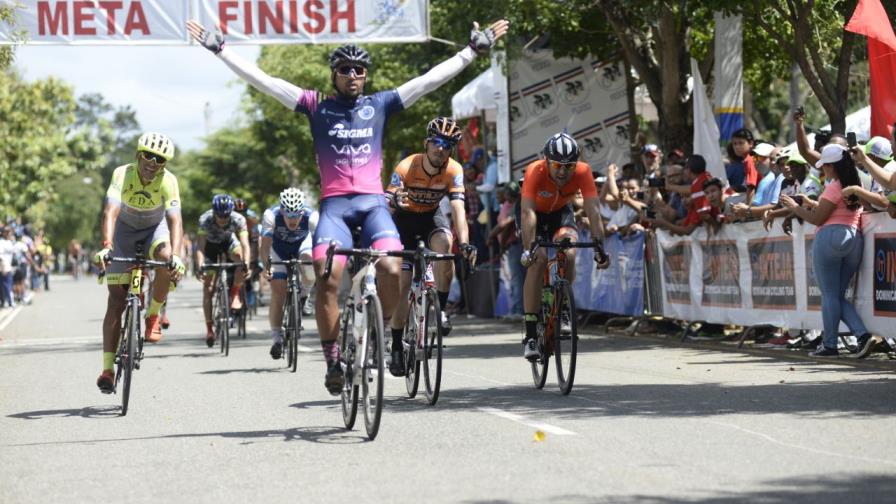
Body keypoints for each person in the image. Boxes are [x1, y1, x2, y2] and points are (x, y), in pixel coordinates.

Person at [187, 17, 509, 394]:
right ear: (334, 75)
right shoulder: (316, 105)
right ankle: (333, 359)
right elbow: (266, 83)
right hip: (335, 208)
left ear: (366, 76)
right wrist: (222, 50)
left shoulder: (381, 104)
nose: (353, 74)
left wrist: (470, 51)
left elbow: (428, 81)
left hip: (373, 207)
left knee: (391, 268)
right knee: (327, 277)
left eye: (359, 69)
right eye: (344, 69)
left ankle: (388, 332)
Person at [384, 117, 477, 376]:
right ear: (427, 143)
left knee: (446, 249)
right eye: (436, 142)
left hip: (430, 219)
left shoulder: (453, 170)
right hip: (403, 224)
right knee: (403, 288)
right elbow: (387, 203)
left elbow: (458, 210)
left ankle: (441, 311)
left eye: (447, 145)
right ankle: (396, 346)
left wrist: (466, 244)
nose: (440, 149)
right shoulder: (407, 166)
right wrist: (395, 202)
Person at [93, 133, 185, 392]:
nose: (152, 163)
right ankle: (108, 369)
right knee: (116, 302)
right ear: (138, 155)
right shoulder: (122, 174)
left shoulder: (169, 180)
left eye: (160, 159)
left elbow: (175, 220)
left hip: (154, 229)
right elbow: (110, 211)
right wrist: (107, 247)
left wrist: (176, 255)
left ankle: (153, 314)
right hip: (124, 231)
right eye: (148, 155)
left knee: (167, 260)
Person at [518, 133, 609, 360]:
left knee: (568, 252)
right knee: (537, 261)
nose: (562, 171)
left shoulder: (583, 172)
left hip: (560, 214)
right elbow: (527, 212)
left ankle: (564, 308)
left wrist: (600, 246)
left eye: (568, 166)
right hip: (535, 217)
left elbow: (593, 210)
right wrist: (529, 249)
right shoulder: (534, 171)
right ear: (547, 161)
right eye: (557, 165)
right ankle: (530, 334)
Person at [780, 144, 872, 357]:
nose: (822, 170)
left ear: (832, 166)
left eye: (825, 166)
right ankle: (862, 336)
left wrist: (795, 208)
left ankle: (830, 345)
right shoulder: (854, 183)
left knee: (830, 296)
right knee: (837, 296)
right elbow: (832, 210)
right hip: (854, 239)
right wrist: (812, 203)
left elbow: (818, 219)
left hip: (831, 237)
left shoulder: (834, 186)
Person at [260, 188, 318, 360]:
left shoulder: (312, 217)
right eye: (288, 216)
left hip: (303, 245)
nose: (292, 220)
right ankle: (276, 339)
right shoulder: (271, 215)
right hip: (278, 250)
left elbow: (319, 245)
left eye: (296, 216)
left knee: (308, 260)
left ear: (302, 211)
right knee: (278, 293)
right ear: (282, 211)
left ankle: (304, 296)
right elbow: (265, 246)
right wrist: (267, 266)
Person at [195, 194, 251, 347]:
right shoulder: (205, 220)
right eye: (219, 216)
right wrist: (200, 265)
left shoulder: (239, 219)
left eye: (225, 216)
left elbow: (245, 245)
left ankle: (234, 294)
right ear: (214, 212)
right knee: (208, 289)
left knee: (240, 258)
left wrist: (246, 263)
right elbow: (200, 246)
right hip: (210, 248)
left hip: (229, 243)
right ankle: (209, 329)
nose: (222, 219)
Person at [725, 128, 760, 200]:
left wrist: (747, 209)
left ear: (750, 143)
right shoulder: (747, 160)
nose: (737, 147)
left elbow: (751, 188)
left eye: (741, 143)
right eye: (734, 144)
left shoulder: (751, 159)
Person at [0, 227, 15, 308]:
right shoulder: (1, 242)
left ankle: (6, 301)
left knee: (7, 285)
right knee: (6, 285)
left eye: (9, 232)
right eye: (7, 232)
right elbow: (0, 257)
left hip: (9, 266)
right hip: (4, 267)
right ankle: (8, 301)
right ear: (3, 233)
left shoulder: (9, 242)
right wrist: (3, 268)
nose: (9, 233)